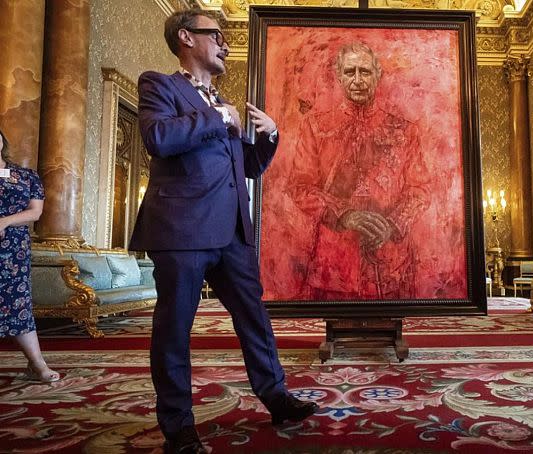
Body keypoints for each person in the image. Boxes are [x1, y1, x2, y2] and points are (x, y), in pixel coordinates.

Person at [130, 9, 317, 453]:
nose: (225, 43)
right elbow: (157, 137)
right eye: (216, 34)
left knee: (254, 318)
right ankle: (178, 428)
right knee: (174, 329)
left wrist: (270, 136)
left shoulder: (223, 102)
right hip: (181, 231)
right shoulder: (160, 84)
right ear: (185, 38)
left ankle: (276, 397)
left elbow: (246, 168)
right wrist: (219, 119)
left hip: (232, 232)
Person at [290, 42, 429, 300]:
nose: (357, 80)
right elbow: (300, 186)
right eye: (350, 72)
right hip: (335, 259)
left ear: (378, 75)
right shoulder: (315, 126)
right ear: (339, 75)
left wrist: (392, 225)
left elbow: (419, 190)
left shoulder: (404, 130)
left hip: (391, 261)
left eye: (364, 72)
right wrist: (345, 216)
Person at [0, 129, 59, 383]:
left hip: (13, 250)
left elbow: (35, 212)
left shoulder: (25, 176)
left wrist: (3, 222)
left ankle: (37, 364)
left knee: (18, 303)